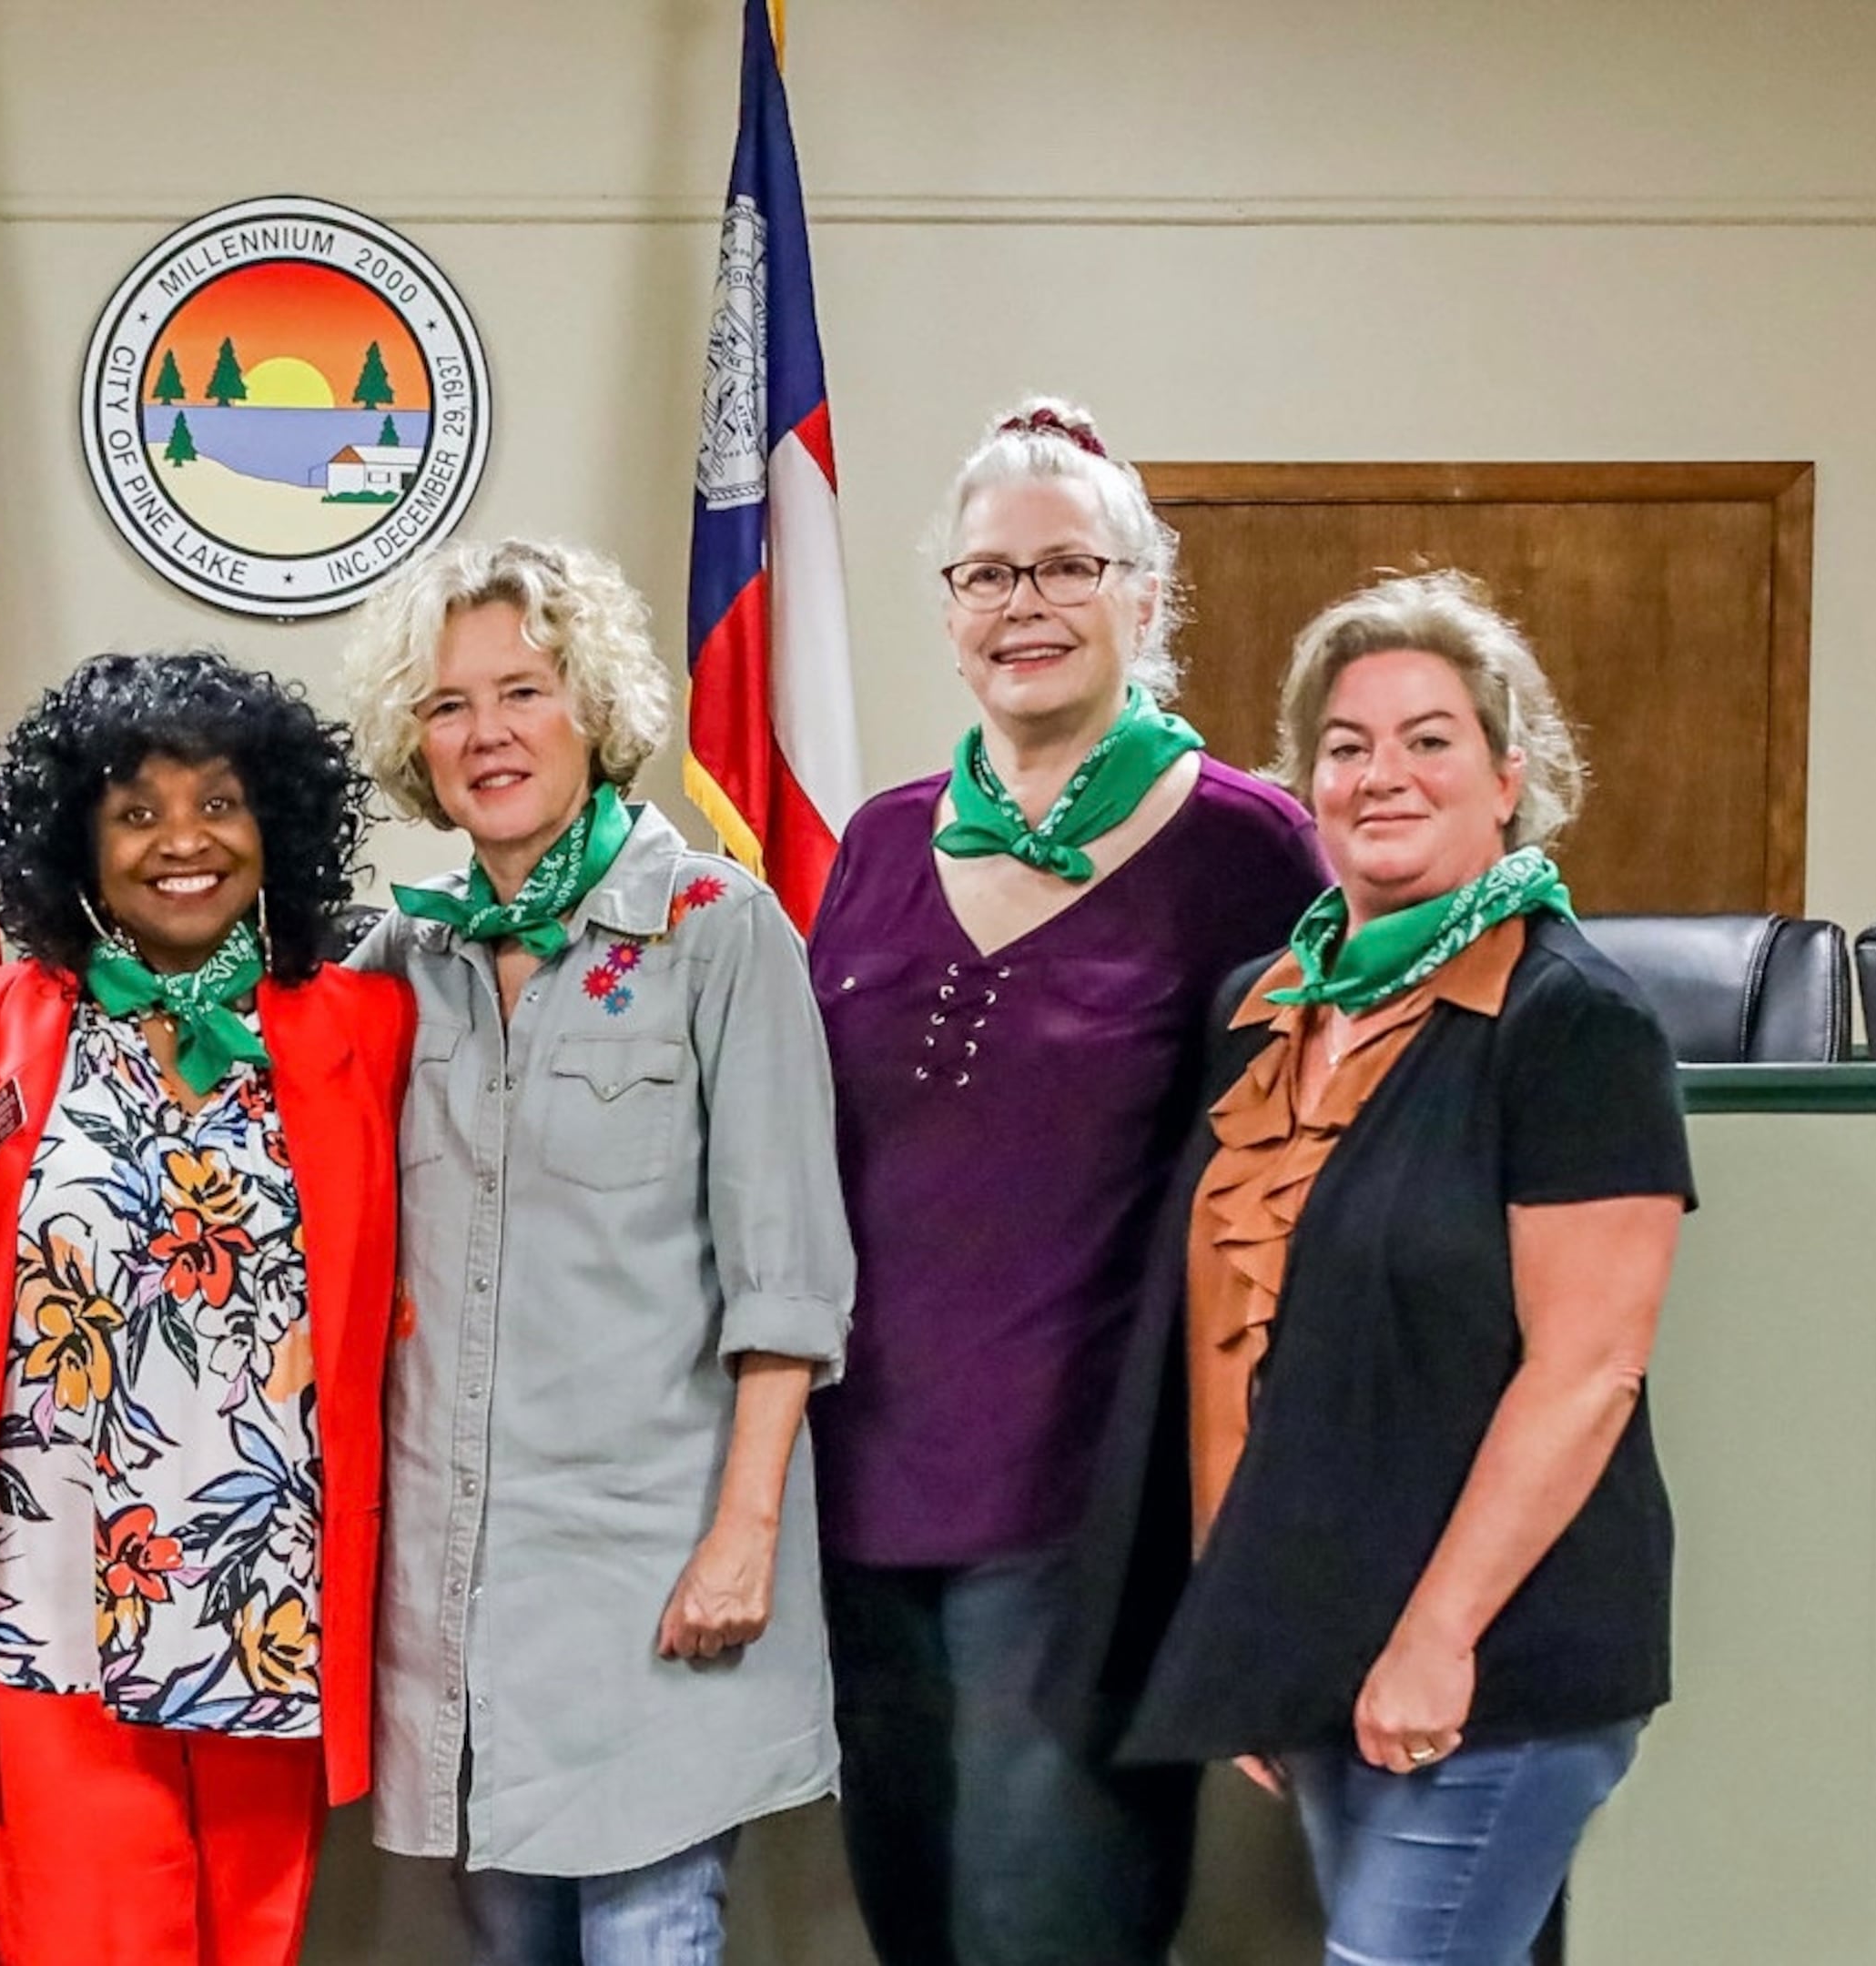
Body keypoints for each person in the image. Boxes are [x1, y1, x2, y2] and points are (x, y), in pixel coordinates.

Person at [1072, 571, 1688, 1966]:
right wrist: (1262, 1633)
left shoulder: (1573, 1021)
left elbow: (1588, 1370)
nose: (1382, 774)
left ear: (1508, 775)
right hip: (1326, 1648)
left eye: (1429, 739)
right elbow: (1242, 1350)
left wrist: (1436, 1639)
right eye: (1347, 745)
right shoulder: (1262, 1009)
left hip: (1494, 1661)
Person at [804, 400, 1325, 1966]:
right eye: (985, 576)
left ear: (1142, 597)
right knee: (911, 1915)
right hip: (863, 1484)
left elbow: (1300, 1166)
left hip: (1088, 1498)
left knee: (1047, 1920)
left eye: (1063, 567)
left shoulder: (1250, 845)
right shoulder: (882, 842)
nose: (1021, 604)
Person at [337, 538, 852, 1966]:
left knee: (653, 1929)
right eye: (448, 706)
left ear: (596, 708)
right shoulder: (400, 962)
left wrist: (743, 1536)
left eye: (524, 690)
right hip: (462, 1597)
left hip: (654, 1572)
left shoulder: (716, 931)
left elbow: (790, 1275)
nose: (486, 733)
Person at [0, 651, 410, 1966]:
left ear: (277, 828)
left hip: (272, 1600)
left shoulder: (368, 1029)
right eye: (137, 812)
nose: (183, 842)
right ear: (75, 838)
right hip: (51, 1604)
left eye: (220, 804)